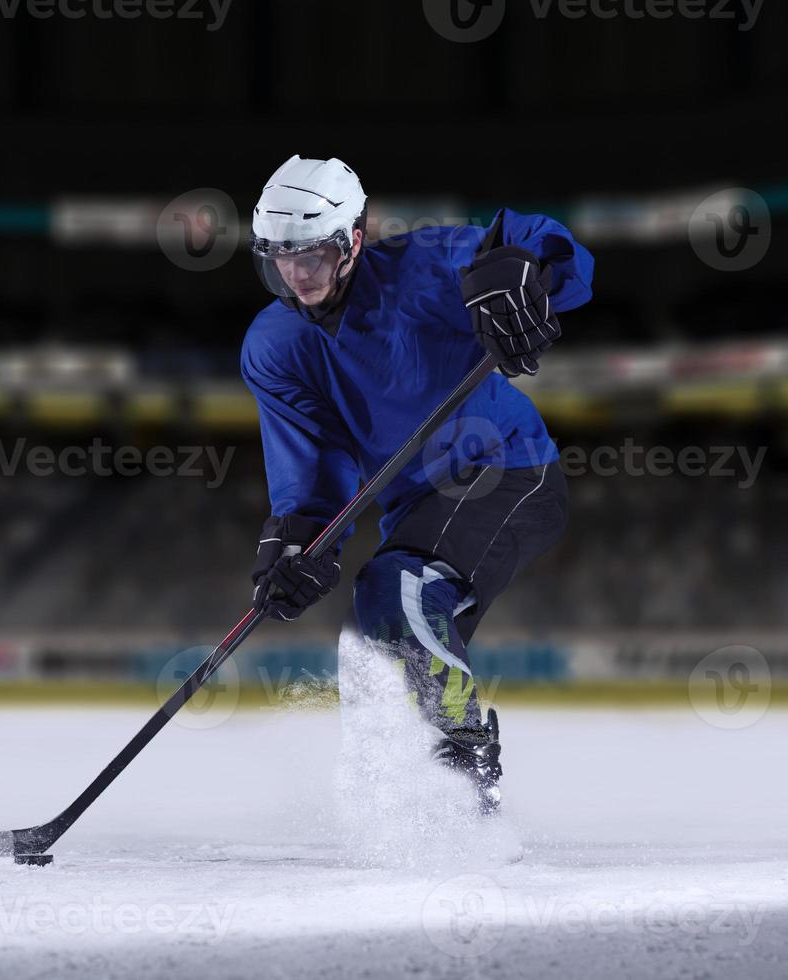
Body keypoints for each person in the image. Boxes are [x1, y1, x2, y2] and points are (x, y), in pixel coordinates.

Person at [244, 155, 594, 813]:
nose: (297, 273)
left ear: (352, 239)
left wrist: (524, 268)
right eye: (280, 257)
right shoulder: (274, 345)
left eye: (312, 254)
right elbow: (315, 463)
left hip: (506, 469)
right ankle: (413, 804)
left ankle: (464, 753)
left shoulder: (429, 268)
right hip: (416, 504)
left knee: (397, 589)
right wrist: (297, 539)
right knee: (368, 639)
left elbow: (548, 251)